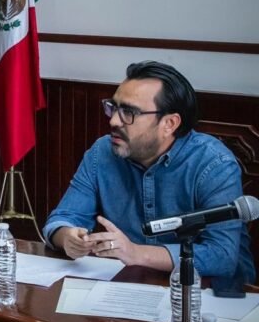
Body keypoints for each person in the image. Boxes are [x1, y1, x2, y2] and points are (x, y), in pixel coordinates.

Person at [44, 61, 255, 283]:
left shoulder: (213, 163)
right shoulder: (102, 152)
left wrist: (136, 253)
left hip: (212, 294)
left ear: (169, 123)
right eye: (113, 107)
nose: (113, 120)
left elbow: (222, 256)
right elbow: (64, 218)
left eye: (129, 112)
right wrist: (68, 237)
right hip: (132, 286)